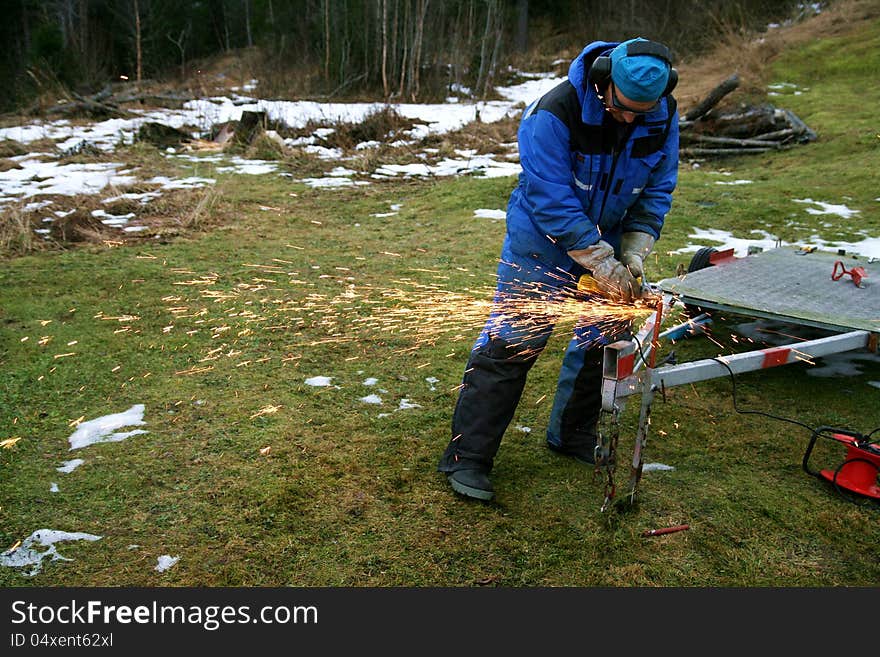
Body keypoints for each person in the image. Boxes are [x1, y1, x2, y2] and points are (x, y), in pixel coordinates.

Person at [437, 37, 680, 501]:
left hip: (609, 240)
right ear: (602, 78)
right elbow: (551, 198)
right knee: (513, 341)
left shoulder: (662, 114)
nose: (629, 119)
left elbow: (657, 189)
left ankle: (572, 433)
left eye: (640, 112)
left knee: (604, 339)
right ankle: (468, 457)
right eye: (621, 108)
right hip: (543, 243)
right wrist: (597, 258)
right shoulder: (553, 112)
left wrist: (632, 253)